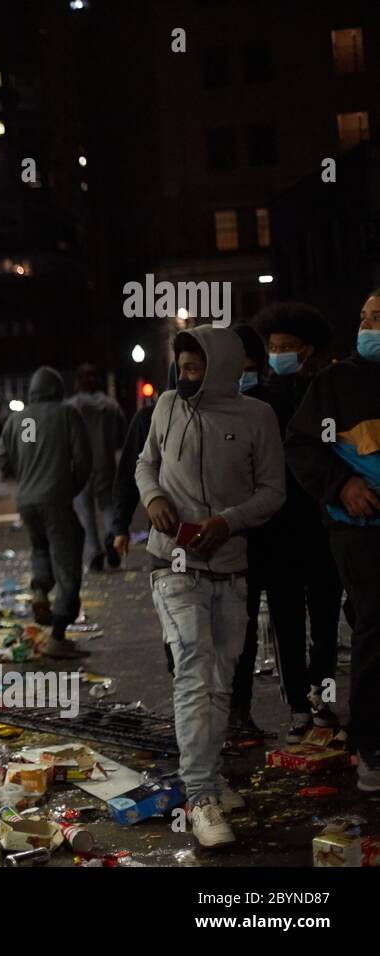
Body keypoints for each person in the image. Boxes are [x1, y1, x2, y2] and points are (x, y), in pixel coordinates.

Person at [136, 325, 284, 848]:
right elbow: (145, 461)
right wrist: (153, 497)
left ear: (220, 366)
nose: (186, 376)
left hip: (230, 565)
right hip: (170, 563)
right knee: (194, 670)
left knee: (220, 679)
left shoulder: (256, 417)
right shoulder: (168, 405)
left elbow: (273, 490)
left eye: (196, 367)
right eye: (182, 367)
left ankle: (208, 772)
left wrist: (229, 521)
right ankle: (199, 795)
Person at [285, 289, 380, 792]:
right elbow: (304, 447)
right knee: (374, 624)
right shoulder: (336, 385)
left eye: (378, 319)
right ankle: (372, 746)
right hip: (358, 529)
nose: (367, 327)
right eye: (364, 317)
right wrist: (343, 486)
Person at [256, 303, 343, 743]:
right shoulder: (261, 398)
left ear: (307, 351)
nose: (278, 354)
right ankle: (297, 707)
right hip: (278, 528)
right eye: (273, 347)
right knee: (287, 621)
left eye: (286, 347)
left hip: (323, 522)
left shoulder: (326, 390)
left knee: (325, 619)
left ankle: (321, 698)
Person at [0, 367, 93, 658]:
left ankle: (40, 591)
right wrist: (69, 488)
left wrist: (26, 478)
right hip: (55, 498)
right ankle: (59, 635)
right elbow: (84, 460)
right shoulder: (67, 415)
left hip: (26, 501)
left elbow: (3, 463)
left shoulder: (16, 419)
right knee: (68, 560)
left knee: (40, 548)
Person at [226, 324, 280, 740]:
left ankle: (242, 712)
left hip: (265, 536)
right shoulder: (214, 409)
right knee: (236, 632)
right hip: (229, 541)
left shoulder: (266, 408)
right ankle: (230, 711)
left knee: (257, 628)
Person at [66, 364, 127, 571]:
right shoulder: (111, 405)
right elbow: (122, 434)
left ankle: (94, 554)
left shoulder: (71, 406)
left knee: (85, 512)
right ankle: (111, 536)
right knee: (108, 506)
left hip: (79, 465)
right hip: (106, 462)